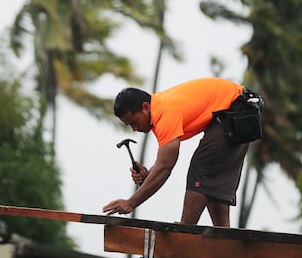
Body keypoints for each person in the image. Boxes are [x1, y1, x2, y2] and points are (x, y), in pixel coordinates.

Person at [102, 77, 262, 227]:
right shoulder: (159, 109)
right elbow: (162, 165)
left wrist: (130, 203)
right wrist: (148, 175)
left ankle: (185, 230)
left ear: (145, 107)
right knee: (211, 180)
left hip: (238, 109)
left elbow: (165, 168)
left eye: (134, 122)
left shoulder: (165, 113)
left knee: (201, 168)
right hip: (239, 110)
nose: (134, 129)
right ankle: (225, 240)